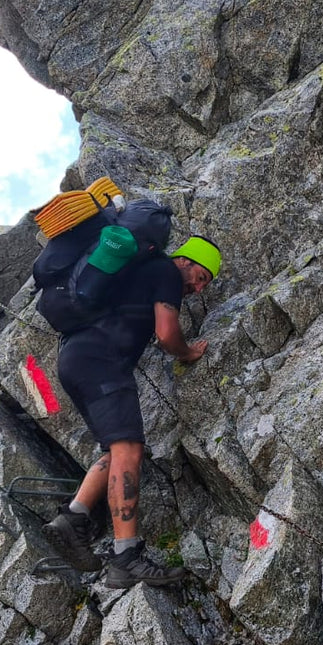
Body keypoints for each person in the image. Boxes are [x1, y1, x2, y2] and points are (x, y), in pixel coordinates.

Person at [43, 234, 220, 589]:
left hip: (76, 359)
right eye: (200, 276)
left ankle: (74, 516)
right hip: (102, 362)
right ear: (185, 260)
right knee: (129, 450)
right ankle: (126, 557)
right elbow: (167, 333)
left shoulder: (143, 270)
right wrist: (186, 353)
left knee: (113, 450)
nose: (198, 288)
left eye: (205, 284)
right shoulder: (166, 272)